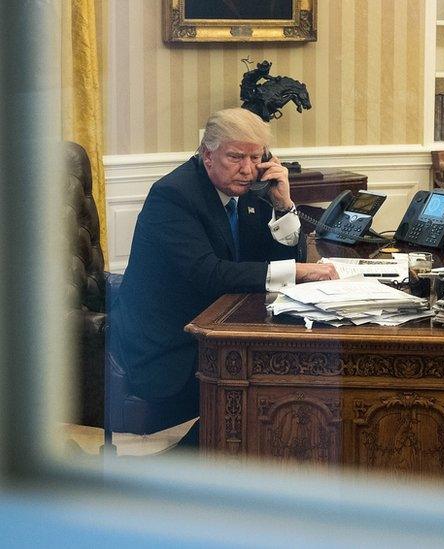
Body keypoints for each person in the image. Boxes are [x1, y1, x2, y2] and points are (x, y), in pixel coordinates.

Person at [111, 108, 337, 442]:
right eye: (235, 157)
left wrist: (284, 206)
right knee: (272, 382)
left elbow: (271, 260)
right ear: (207, 155)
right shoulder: (173, 195)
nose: (247, 170)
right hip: (169, 348)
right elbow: (210, 274)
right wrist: (298, 272)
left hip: (218, 331)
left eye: (255, 157)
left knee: (291, 375)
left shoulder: (249, 192)